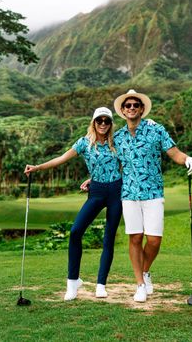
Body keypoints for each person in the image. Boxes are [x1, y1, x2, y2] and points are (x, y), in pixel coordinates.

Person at [24, 107, 122, 301]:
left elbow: (125, 162)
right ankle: (73, 282)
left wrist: (149, 123)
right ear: (93, 122)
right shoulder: (84, 143)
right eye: (99, 120)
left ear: (111, 124)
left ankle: (101, 284)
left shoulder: (117, 141)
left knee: (109, 237)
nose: (103, 124)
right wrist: (37, 168)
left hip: (117, 191)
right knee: (76, 231)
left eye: (107, 121)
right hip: (96, 193)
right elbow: (61, 159)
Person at [113, 89, 192, 303]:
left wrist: (187, 159)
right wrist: (93, 179)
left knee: (154, 239)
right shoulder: (118, 137)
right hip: (129, 193)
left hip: (153, 192)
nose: (131, 108)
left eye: (135, 105)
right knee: (135, 238)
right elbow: (111, 163)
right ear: (123, 111)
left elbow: (173, 152)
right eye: (128, 106)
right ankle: (140, 284)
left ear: (141, 109)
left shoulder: (156, 130)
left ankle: (145, 271)